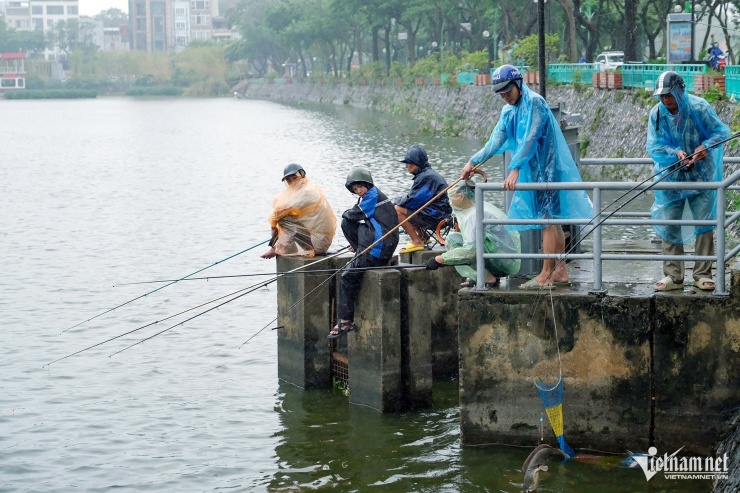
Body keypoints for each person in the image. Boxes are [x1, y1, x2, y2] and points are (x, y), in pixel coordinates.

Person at [460, 64, 592, 289]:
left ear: (518, 85)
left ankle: (546, 273)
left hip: (548, 170)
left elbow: (531, 138)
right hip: (534, 171)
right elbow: (496, 141)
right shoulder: (509, 111)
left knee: (548, 221)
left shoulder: (535, 103)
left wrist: (515, 167)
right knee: (551, 221)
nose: (504, 96)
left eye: (507, 91)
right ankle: (560, 271)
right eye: (500, 93)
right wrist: (473, 161)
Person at [647, 71, 730, 292]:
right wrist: (675, 153)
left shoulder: (700, 108)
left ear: (680, 91)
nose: (665, 100)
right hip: (671, 177)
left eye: (669, 95)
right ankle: (673, 276)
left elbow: (720, 132)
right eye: (662, 96)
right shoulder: (657, 114)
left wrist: (705, 147)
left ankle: (702, 274)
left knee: (703, 224)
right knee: (670, 224)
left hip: (701, 175)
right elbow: (654, 146)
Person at [328, 167, 399, 339]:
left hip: (379, 248)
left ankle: (345, 320)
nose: (358, 190)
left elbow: (353, 214)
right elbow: (353, 216)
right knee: (347, 223)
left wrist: (346, 214)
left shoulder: (372, 196)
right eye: (355, 189)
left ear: (367, 184)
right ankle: (359, 250)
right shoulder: (367, 196)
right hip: (382, 244)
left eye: (360, 186)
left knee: (347, 277)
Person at [425, 181, 521, 287]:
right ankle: (483, 275)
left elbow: (470, 250)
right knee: (456, 238)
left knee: (453, 241)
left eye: (451, 197)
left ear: (461, 196)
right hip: (507, 260)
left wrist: (439, 260)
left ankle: (485, 277)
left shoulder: (472, 215)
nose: (450, 201)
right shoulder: (480, 206)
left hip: (503, 263)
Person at [261, 163, 336, 259]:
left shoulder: (307, 191)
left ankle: (278, 249)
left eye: (294, 178)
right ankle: (278, 248)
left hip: (318, 243)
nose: (292, 182)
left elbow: (279, 211)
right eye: (288, 180)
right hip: (313, 239)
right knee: (287, 216)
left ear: (302, 175)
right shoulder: (303, 190)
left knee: (285, 218)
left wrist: (273, 227)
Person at [394, 144, 452, 253]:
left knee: (397, 210)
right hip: (438, 214)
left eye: (409, 163)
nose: (407, 166)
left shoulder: (427, 177)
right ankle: (423, 236)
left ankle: (417, 241)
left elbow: (413, 200)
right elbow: (415, 199)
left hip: (437, 217)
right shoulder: (427, 175)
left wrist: (395, 202)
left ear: (417, 163)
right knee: (403, 207)